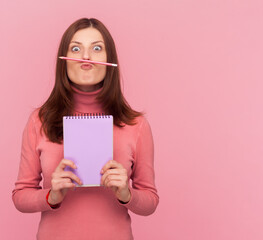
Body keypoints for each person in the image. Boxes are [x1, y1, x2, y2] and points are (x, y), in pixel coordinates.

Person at [12, 17, 159, 240]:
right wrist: (52, 195)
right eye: (76, 48)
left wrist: (126, 194)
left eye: (97, 48)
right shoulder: (39, 121)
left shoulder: (135, 125)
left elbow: (150, 201)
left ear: (110, 60)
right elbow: (20, 196)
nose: (86, 57)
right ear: (64, 60)